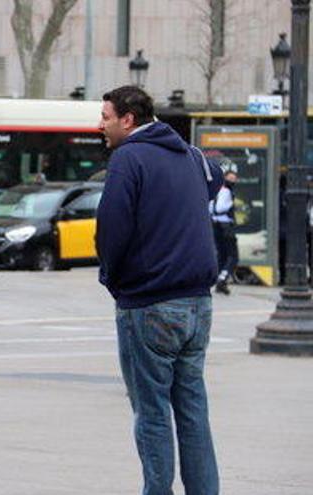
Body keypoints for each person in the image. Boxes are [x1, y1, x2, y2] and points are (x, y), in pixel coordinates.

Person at [95, 85, 223, 495]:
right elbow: (215, 178)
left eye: (106, 117)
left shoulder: (128, 158)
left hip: (149, 302)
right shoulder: (189, 154)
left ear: (128, 119)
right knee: (192, 410)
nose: (101, 125)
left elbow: (111, 229)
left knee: (151, 413)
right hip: (197, 304)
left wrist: (113, 280)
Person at [211, 170, 238, 295]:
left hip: (216, 225)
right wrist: (231, 204)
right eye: (230, 178)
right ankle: (222, 279)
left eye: (234, 179)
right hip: (225, 225)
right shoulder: (226, 192)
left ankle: (220, 281)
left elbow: (211, 209)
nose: (233, 181)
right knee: (233, 256)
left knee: (221, 255)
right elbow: (219, 208)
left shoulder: (217, 190)